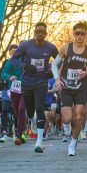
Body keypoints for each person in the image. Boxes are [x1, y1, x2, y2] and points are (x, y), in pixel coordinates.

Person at [52, 21, 87, 156]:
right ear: (74, 34)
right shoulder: (65, 48)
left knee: (78, 117)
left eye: (82, 34)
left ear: (86, 35)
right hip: (66, 86)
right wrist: (57, 79)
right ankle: (70, 129)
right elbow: (54, 65)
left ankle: (73, 143)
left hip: (81, 87)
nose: (79, 36)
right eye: (77, 33)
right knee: (67, 118)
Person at [11, 22, 58, 153]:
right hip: (27, 82)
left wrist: (52, 71)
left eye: (42, 31)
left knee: (40, 108)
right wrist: (25, 66)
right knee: (31, 111)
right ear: (34, 32)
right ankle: (32, 119)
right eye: (38, 31)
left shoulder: (51, 47)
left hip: (41, 81)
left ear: (46, 33)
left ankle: (39, 142)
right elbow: (13, 60)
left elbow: (61, 62)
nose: (40, 33)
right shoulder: (26, 45)